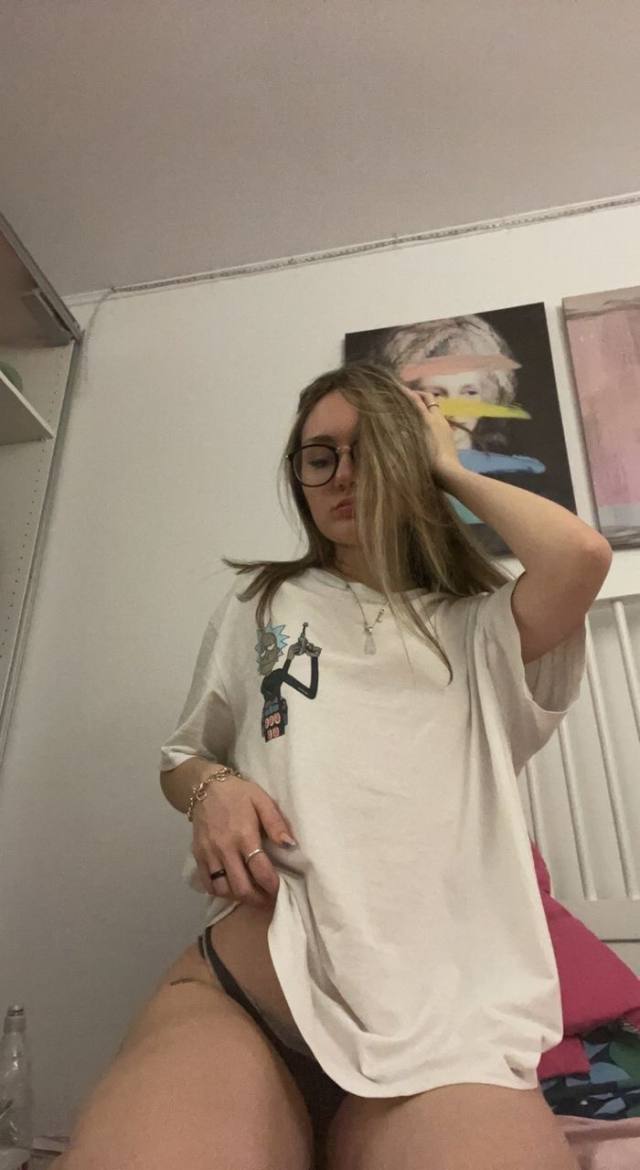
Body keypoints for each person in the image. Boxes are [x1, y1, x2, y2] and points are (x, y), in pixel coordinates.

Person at [57, 362, 611, 1170]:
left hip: (444, 1033)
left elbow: (580, 556)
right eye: (320, 457)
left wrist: (444, 462)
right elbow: (184, 756)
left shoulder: (481, 629)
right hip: (246, 997)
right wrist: (213, 790)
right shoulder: (262, 604)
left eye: (368, 450)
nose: (342, 475)